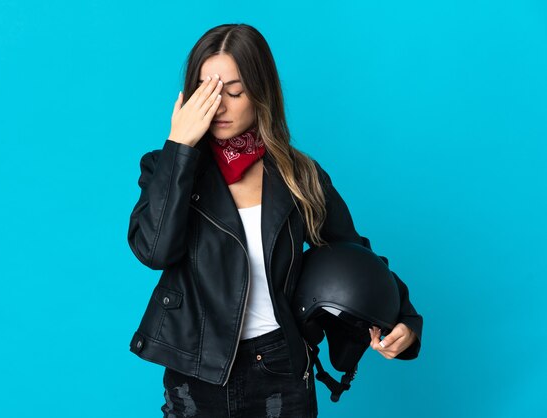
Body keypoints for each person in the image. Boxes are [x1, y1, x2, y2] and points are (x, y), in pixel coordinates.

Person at [127, 23, 423, 418]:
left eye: (233, 91)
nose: (219, 105)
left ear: (261, 91)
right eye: (207, 90)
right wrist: (179, 148)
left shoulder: (299, 175)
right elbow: (154, 250)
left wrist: (404, 319)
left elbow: (352, 252)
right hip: (196, 371)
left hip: (280, 367)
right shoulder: (166, 168)